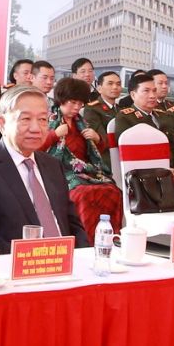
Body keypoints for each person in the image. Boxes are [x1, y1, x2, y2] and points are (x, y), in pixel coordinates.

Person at [0, 86, 90, 253]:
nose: (36, 128)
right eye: (26, 119)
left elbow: (72, 223)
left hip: (67, 261)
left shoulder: (53, 165)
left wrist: (82, 256)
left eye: (42, 119)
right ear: (2, 124)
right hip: (17, 264)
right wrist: (35, 257)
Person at [45, 77, 121, 240]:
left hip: (85, 171)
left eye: (80, 104)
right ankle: (83, 240)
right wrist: (54, 135)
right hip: (59, 172)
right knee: (83, 193)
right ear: (61, 99)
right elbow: (36, 148)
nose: (76, 108)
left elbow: (94, 152)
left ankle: (109, 239)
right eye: (72, 102)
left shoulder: (82, 123)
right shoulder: (48, 120)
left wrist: (97, 138)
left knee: (112, 190)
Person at [112, 72, 174, 184]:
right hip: (146, 177)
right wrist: (163, 171)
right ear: (133, 95)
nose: (152, 96)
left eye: (154, 91)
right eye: (146, 91)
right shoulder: (125, 117)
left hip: (173, 172)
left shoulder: (164, 116)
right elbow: (131, 153)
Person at [81, 70, 123, 152]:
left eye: (118, 84)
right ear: (99, 89)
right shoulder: (92, 109)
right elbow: (100, 138)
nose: (115, 87)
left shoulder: (121, 110)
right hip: (105, 154)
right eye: (110, 83)